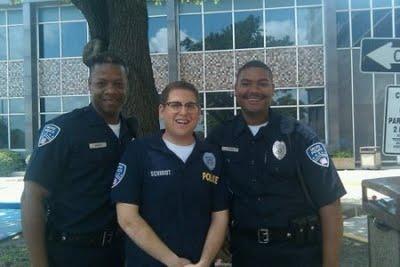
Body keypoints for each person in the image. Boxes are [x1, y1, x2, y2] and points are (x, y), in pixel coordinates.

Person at [206, 60, 346, 267]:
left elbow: (330, 204)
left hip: (299, 255)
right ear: (235, 90)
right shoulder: (220, 138)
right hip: (246, 254)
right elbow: (209, 196)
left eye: (262, 83)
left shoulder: (300, 137)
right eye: (246, 83)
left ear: (273, 89)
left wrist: (331, 265)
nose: (253, 90)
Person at [21, 53, 137, 267]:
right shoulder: (64, 130)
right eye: (102, 83)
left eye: (118, 83)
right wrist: (39, 263)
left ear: (127, 86)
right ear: (89, 85)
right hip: (72, 254)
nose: (111, 90)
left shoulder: (130, 132)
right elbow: (32, 197)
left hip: (119, 253)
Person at [111, 81, 229, 267]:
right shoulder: (139, 152)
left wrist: (205, 262)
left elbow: (220, 215)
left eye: (191, 105)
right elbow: (127, 218)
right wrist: (172, 261)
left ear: (199, 112)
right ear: (161, 110)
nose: (183, 112)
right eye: (175, 105)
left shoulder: (212, 155)